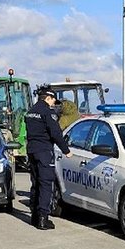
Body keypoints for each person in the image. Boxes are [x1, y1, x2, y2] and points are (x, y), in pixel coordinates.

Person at [24, 87, 72, 230]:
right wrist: (66, 150)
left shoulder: (30, 112)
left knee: (36, 182)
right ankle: (43, 218)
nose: (53, 104)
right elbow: (56, 133)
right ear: (48, 98)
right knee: (46, 184)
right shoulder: (47, 112)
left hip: (31, 150)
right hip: (44, 151)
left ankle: (34, 215)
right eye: (52, 101)